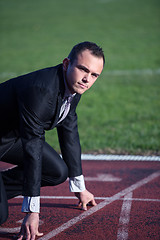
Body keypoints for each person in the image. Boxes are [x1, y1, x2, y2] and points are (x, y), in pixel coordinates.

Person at [0, 41, 105, 239]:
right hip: (15, 136)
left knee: (57, 172)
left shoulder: (74, 86)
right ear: (66, 64)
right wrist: (32, 212)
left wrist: (79, 187)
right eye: (83, 69)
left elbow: (69, 130)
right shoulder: (40, 91)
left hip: (11, 136)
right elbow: (33, 149)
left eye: (94, 75)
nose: (87, 79)